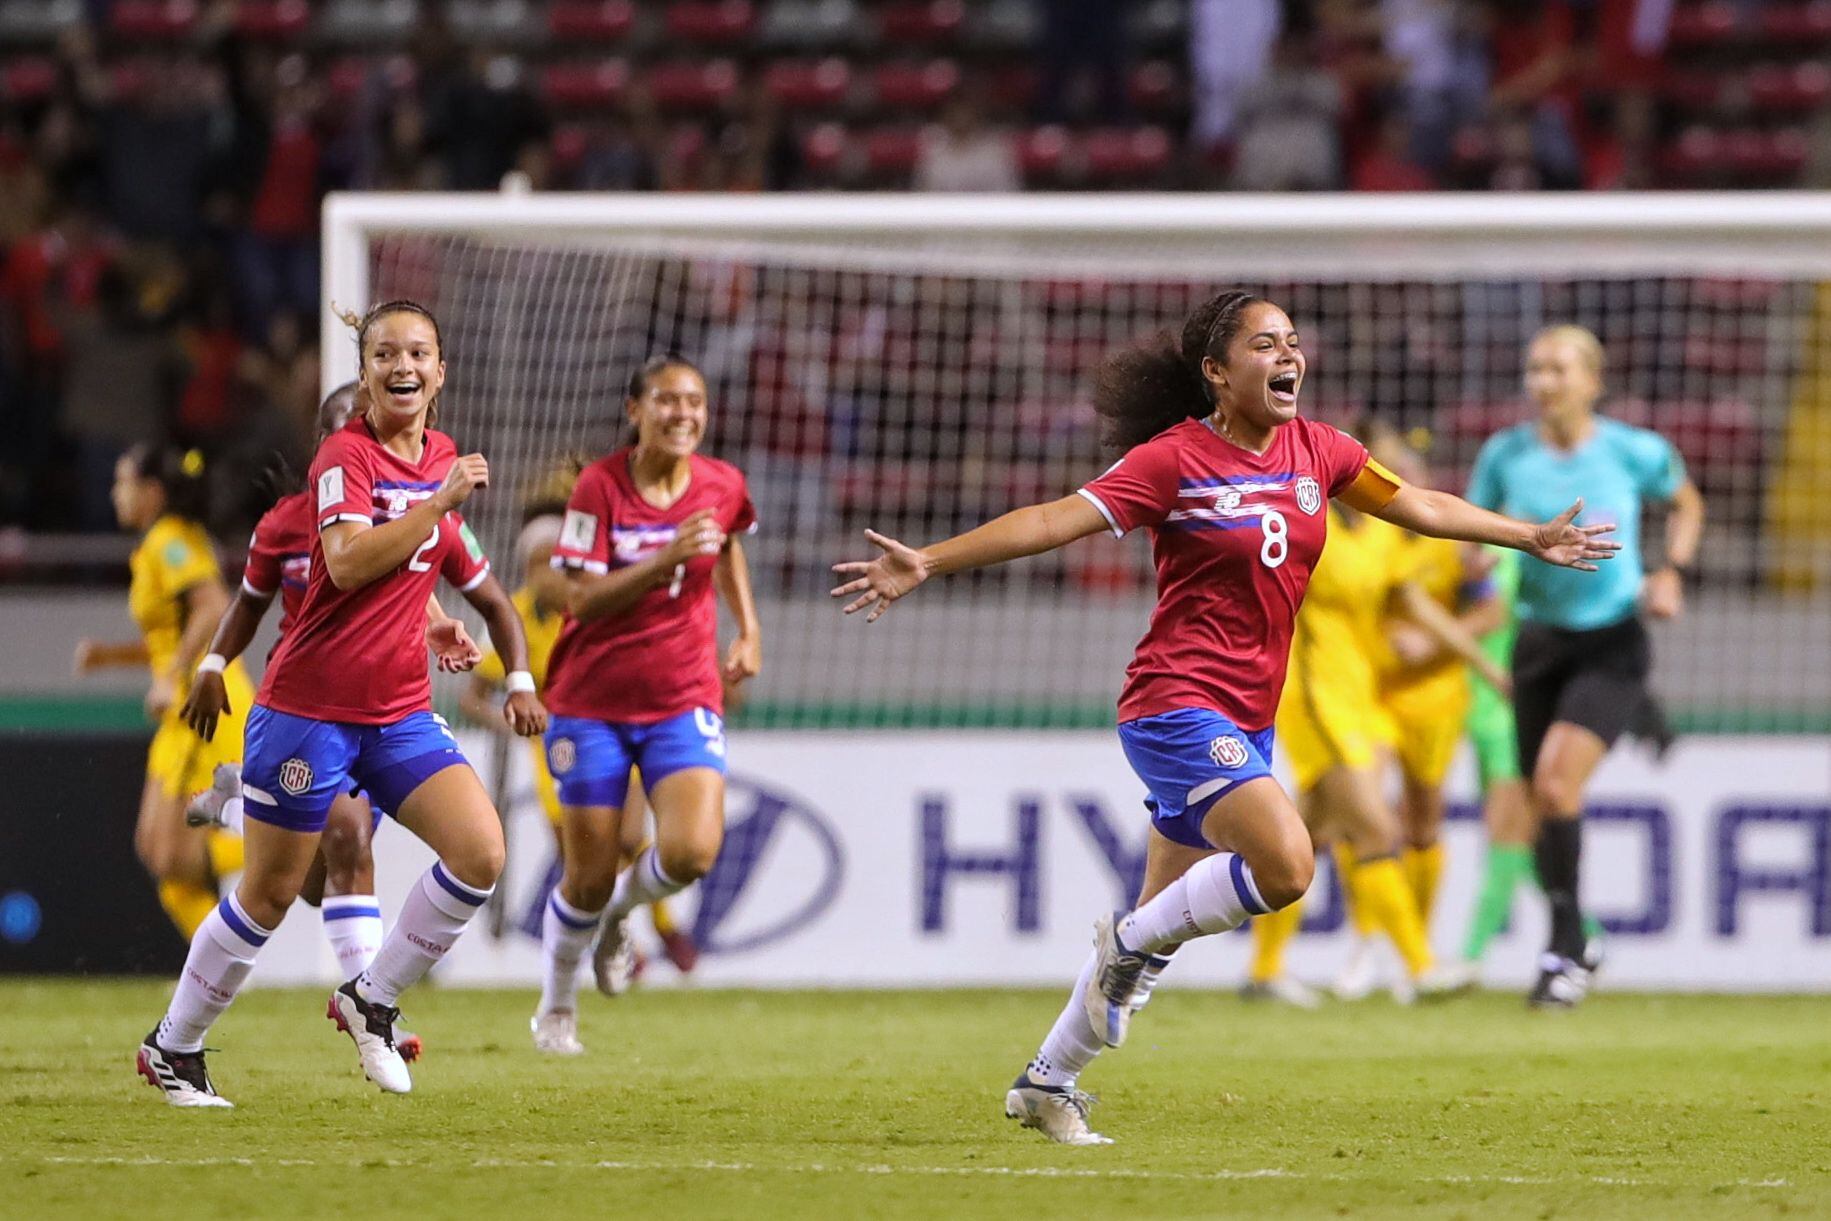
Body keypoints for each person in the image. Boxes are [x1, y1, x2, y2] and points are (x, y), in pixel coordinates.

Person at [831, 290, 1616, 1145]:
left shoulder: (1321, 450)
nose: (1287, 356)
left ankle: (1047, 1080)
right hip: (1173, 701)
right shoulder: (1173, 460)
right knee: (1284, 864)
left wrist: (1524, 536)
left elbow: (1419, 506)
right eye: (1263, 344)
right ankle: (1128, 941)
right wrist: (932, 560)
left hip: (1250, 714)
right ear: (1215, 370)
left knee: (1143, 944)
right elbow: (1058, 518)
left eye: (1291, 341)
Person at [135, 300, 546, 1108]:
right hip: (308, 711)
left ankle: (371, 996)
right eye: (386, 352)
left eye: (419, 352)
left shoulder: (441, 456)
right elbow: (352, 562)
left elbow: (444, 578)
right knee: (271, 893)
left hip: (395, 713)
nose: (404, 365)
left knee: (481, 854)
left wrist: (455, 635)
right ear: (364, 376)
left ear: (439, 370)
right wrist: (439, 503)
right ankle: (172, 1045)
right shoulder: (343, 456)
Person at [179, 382, 485, 1057]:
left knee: (323, 880)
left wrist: (442, 628)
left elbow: (417, 587)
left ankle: (237, 806)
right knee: (332, 847)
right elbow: (251, 603)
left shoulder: (412, 504)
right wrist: (210, 664)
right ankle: (370, 1018)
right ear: (328, 441)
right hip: (312, 708)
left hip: (389, 708)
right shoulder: (290, 522)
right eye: (347, 424)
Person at [1467, 323, 1704, 1008]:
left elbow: (1686, 503)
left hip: (1612, 640)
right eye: (1534, 368)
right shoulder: (1505, 455)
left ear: (1591, 381)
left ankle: (1564, 949)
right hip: (1538, 641)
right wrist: (1479, 559)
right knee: (1543, 803)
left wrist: (1671, 572)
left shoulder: (1633, 451)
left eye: (1558, 369)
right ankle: (1573, 942)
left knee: (1553, 784)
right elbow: (1473, 529)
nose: (1542, 382)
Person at [533, 354, 761, 1056]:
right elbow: (576, 597)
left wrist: (748, 627)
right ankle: (557, 1001)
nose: (683, 413)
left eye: (694, 401)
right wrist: (662, 560)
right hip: (590, 701)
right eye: (666, 400)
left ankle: (617, 920)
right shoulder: (598, 489)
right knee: (588, 875)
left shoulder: (722, 484)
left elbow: (723, 548)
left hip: (681, 695)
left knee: (692, 851)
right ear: (635, 411)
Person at [1266, 422, 1508, 1006]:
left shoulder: (1378, 537)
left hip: (1362, 698)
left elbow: (1419, 605)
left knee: (1311, 830)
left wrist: (1485, 666)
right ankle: (1418, 966)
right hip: (1314, 697)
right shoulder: (1307, 527)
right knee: (1373, 824)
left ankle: (1266, 968)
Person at [458, 513, 701, 995]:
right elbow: (473, 697)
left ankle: (662, 926)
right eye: (540, 564)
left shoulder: (598, 604)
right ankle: (615, 940)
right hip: (554, 748)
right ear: (527, 568)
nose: (550, 574)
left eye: (559, 562)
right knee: (583, 858)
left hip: (612, 728)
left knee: (631, 837)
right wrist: (515, 721)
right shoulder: (510, 617)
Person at [74, 445, 251, 940]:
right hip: (184, 706)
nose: (115, 493)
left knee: (173, 853)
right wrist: (109, 656)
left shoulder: (171, 540)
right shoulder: (157, 544)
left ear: (152, 492)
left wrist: (172, 674)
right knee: (157, 852)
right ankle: (218, 971)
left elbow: (215, 605)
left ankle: (294, 847)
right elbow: (169, 636)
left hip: (208, 704)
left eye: (122, 481)